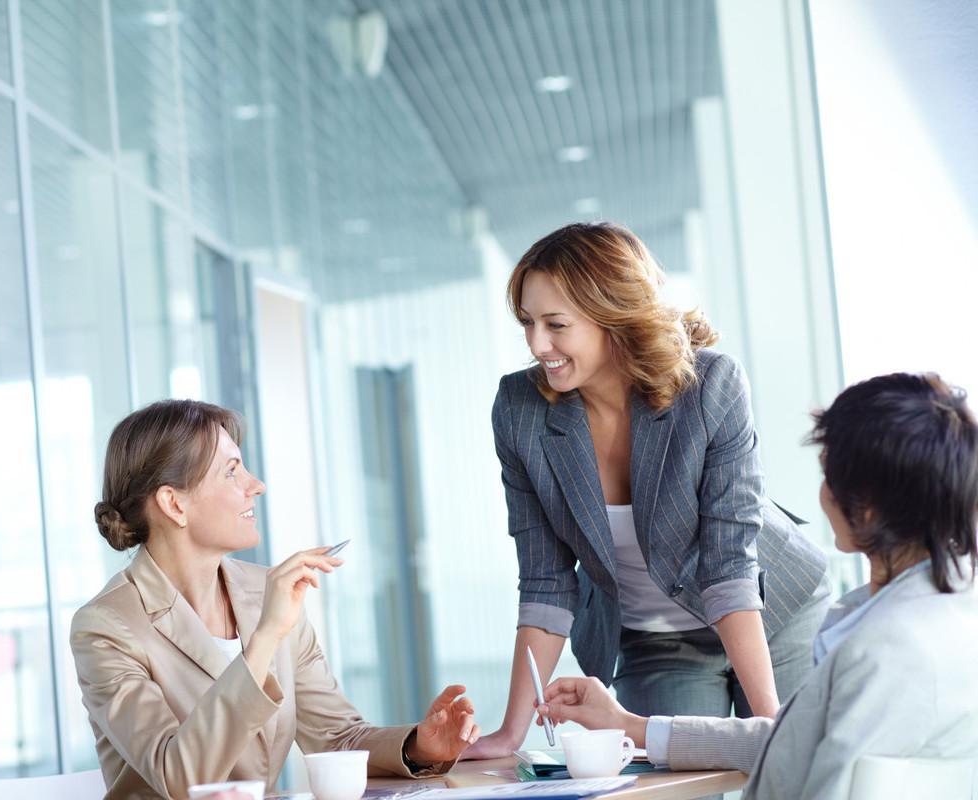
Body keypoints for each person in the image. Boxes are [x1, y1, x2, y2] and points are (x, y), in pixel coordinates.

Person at [468, 223, 830, 759]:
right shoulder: (520, 410)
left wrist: (772, 730)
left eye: (556, 324)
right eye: (527, 322)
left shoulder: (710, 386)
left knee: (797, 773)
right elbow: (545, 580)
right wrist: (509, 734)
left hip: (774, 614)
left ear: (612, 316)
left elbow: (729, 565)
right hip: (657, 641)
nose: (536, 344)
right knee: (671, 791)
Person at [536, 371, 978, 799]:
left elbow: (820, 777)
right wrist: (631, 725)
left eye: (828, 475)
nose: (822, 493)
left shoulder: (884, 651)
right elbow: (791, 739)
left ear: (864, 510)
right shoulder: (943, 617)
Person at [70, 399, 479, 799]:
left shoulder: (265, 591)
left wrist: (419, 747)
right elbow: (180, 778)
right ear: (174, 504)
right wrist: (264, 637)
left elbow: (336, 737)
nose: (256, 485)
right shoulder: (106, 627)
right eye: (232, 472)